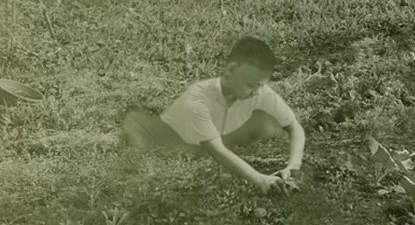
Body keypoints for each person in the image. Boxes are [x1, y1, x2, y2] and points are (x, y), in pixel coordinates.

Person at [122, 36, 304, 195]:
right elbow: (216, 150)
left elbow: (295, 127)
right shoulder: (197, 98)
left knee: (266, 123)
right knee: (142, 142)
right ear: (231, 70)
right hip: (173, 140)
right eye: (251, 85)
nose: (257, 91)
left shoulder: (259, 92)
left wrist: (293, 166)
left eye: (261, 85)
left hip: (219, 139)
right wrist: (260, 180)